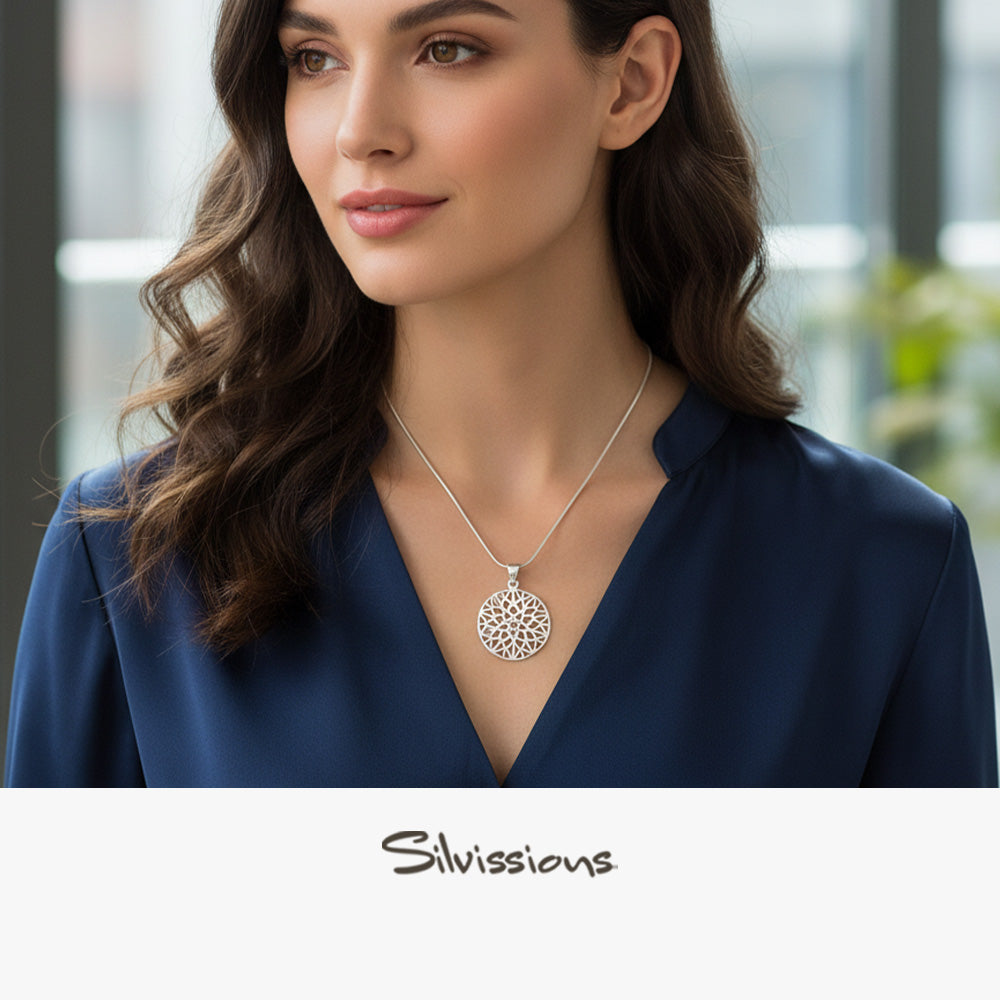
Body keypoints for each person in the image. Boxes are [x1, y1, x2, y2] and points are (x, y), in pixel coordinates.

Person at [5, 0, 997, 787]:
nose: (361, 132)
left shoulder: (881, 563)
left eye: (446, 47)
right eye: (314, 57)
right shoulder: (131, 557)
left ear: (632, 82)